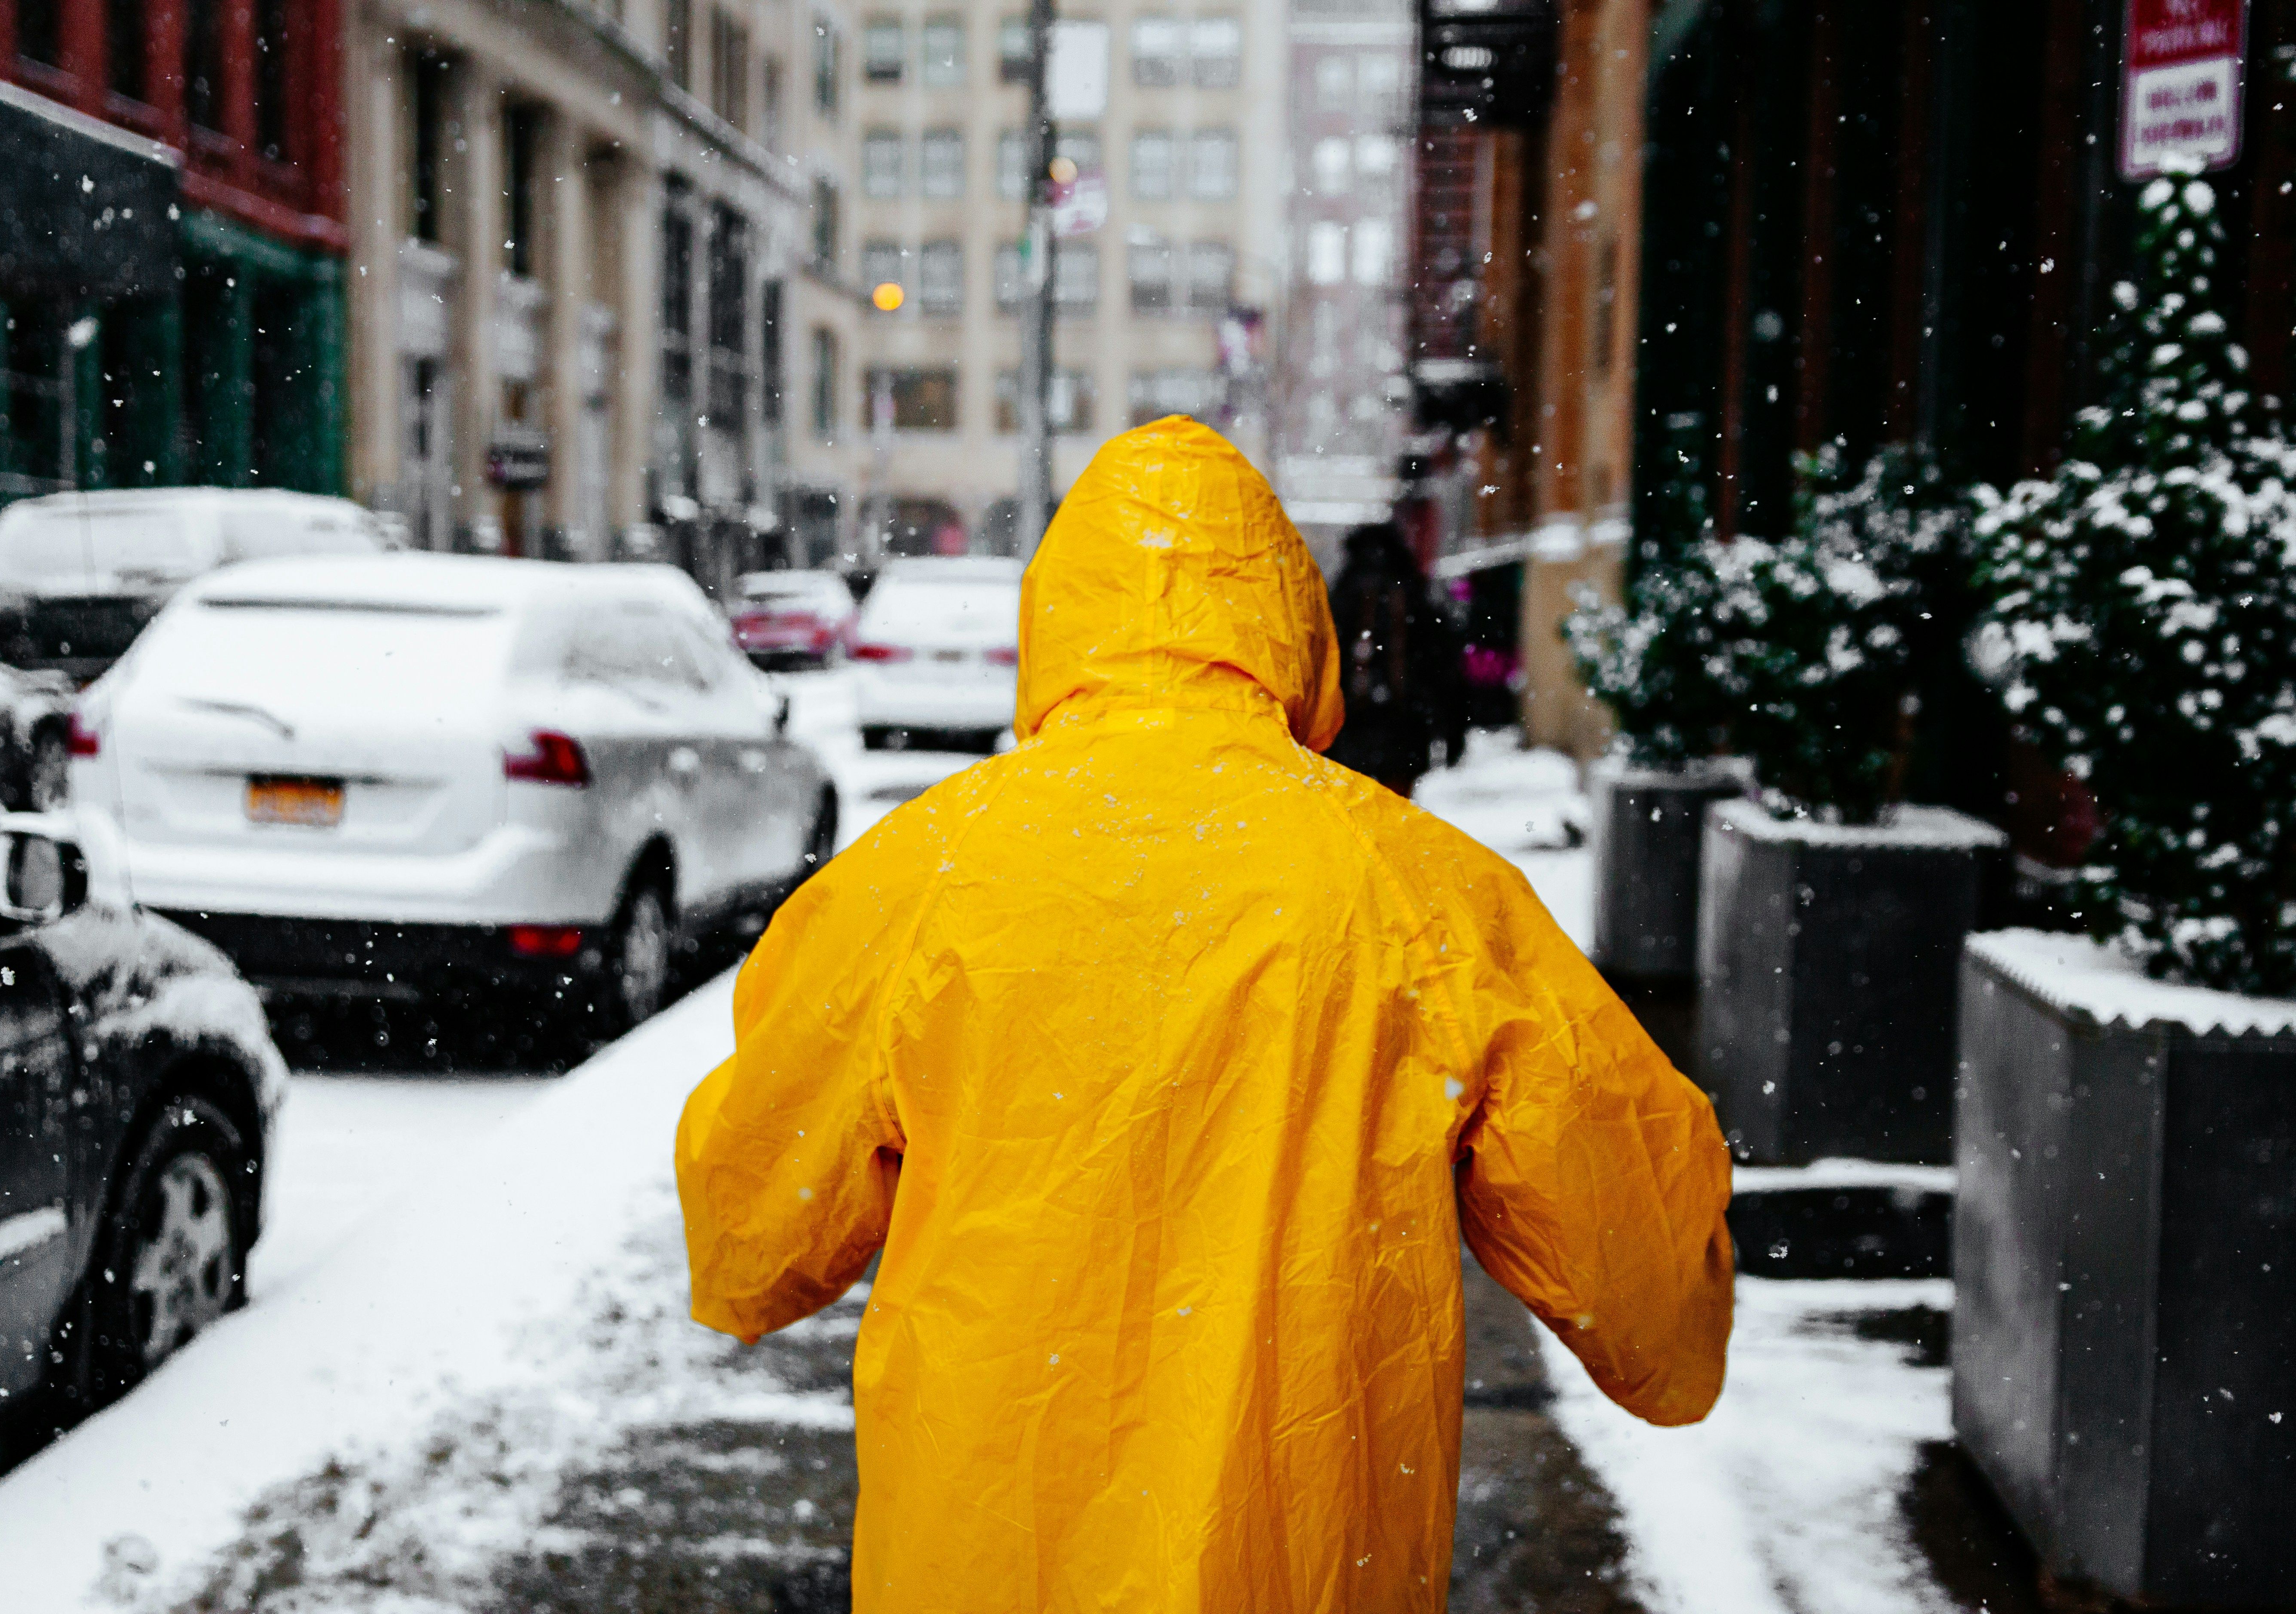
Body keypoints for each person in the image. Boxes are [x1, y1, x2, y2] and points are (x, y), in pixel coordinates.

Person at [676, 418, 1734, 1613]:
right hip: (1307, 1552)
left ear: (1061, 621)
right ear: (1292, 625)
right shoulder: (1426, 894)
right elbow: (1652, 1287)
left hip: (991, 1552)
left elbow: (748, 1239)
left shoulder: (919, 880)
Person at [1323, 521, 1469, 797]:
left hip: (1352, 730)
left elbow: (1322, 663)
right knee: (1396, 810)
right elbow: (1443, 668)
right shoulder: (1414, 593)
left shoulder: (1344, 594)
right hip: (1404, 730)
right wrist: (1450, 732)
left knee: (1355, 813)